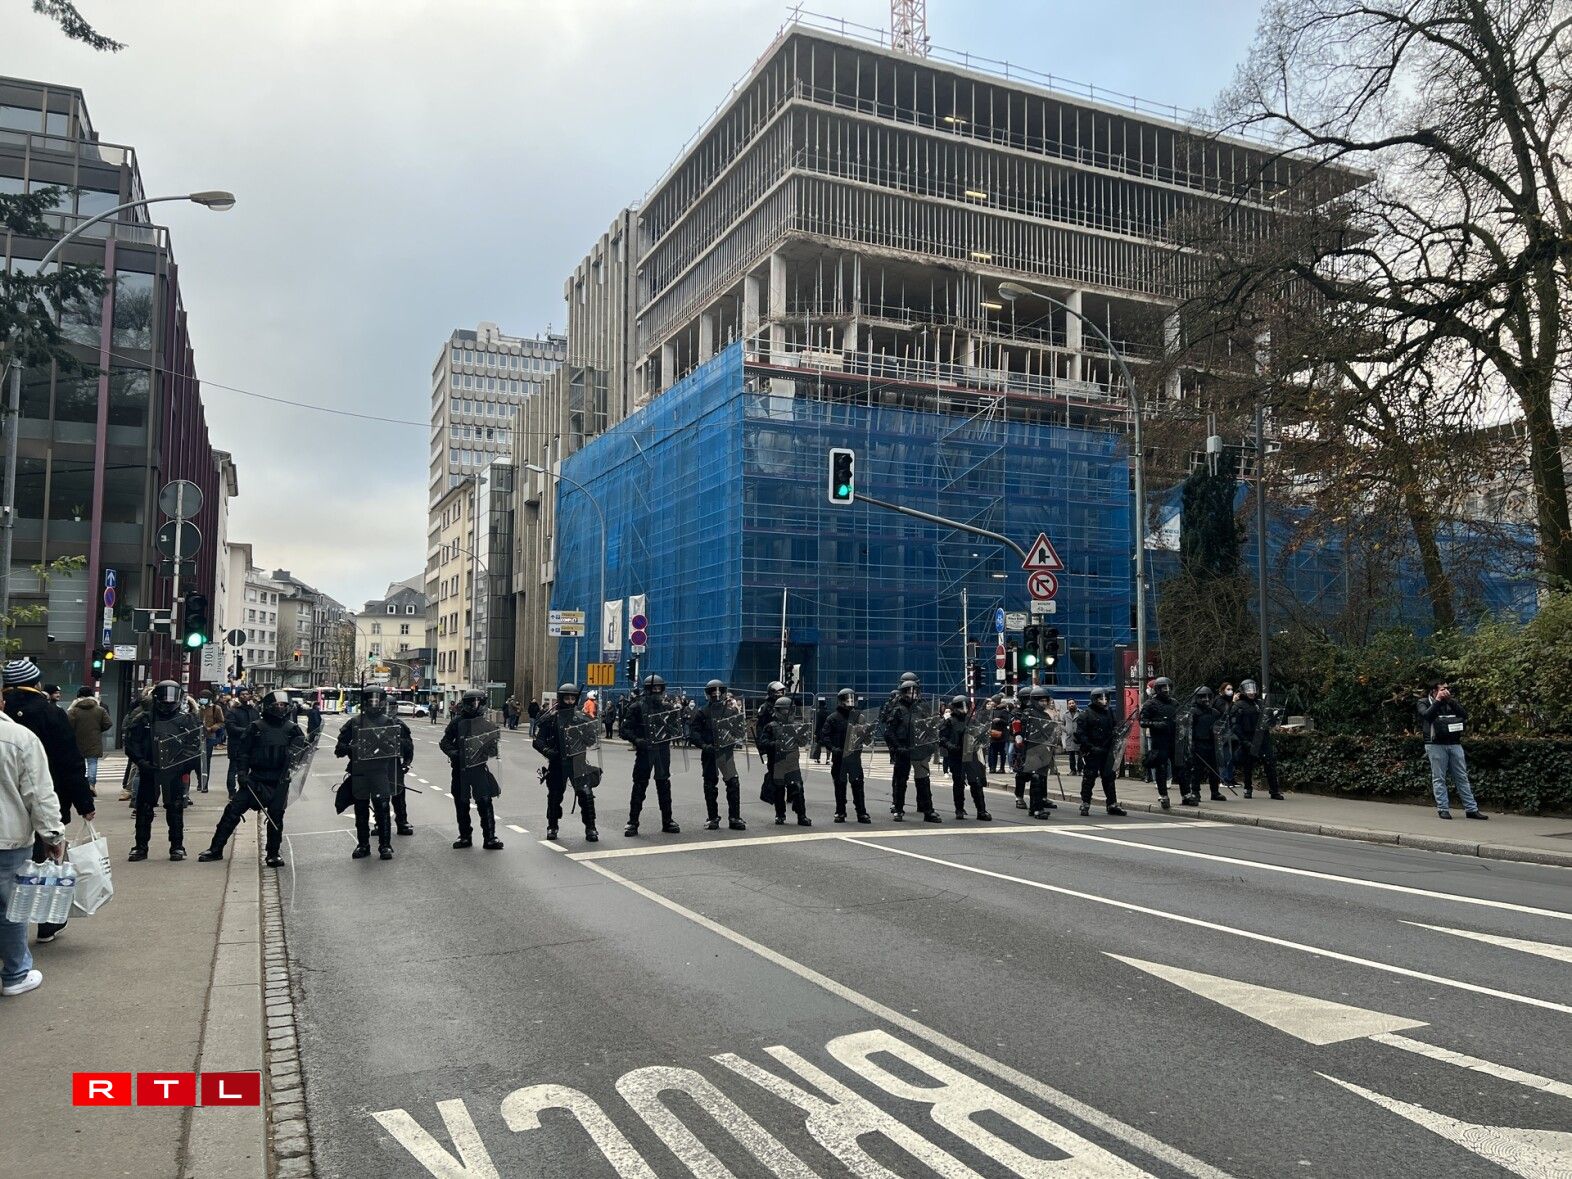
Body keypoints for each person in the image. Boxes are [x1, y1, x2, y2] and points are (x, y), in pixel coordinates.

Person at [4, 659, 94, 941]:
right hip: (48, 799)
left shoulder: (5, 714)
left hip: (7, 807)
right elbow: (70, 762)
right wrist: (84, 802)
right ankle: (47, 922)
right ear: (37, 683)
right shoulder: (51, 714)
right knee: (46, 865)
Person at [198, 689, 303, 868]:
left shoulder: (292, 729)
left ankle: (273, 854)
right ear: (268, 706)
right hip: (256, 779)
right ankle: (216, 849)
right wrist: (242, 774)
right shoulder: (256, 727)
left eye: (283, 705)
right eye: (277, 704)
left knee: (276, 817)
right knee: (232, 811)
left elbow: (300, 755)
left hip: (279, 781)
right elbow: (244, 753)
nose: (280, 707)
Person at [0, 708, 64, 997]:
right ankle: (15, 974)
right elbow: (38, 794)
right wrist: (52, 834)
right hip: (7, 838)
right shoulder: (19, 738)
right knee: (9, 909)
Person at [123, 679, 200, 862]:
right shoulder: (144, 719)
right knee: (144, 808)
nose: (168, 701)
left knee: (175, 808)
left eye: (172, 696)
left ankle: (177, 846)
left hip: (174, 771)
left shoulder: (186, 720)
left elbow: (195, 746)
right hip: (149, 769)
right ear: (157, 697)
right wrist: (142, 762)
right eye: (164, 696)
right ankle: (140, 846)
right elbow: (132, 743)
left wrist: (182, 766)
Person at [334, 685, 412, 860]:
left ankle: (385, 845)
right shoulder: (354, 722)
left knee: (383, 808)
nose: (374, 704)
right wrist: (353, 748)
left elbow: (398, 745)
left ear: (382, 702)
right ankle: (363, 845)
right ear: (365, 702)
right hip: (360, 772)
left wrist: (385, 746)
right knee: (361, 809)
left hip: (380, 771)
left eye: (377, 701)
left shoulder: (389, 722)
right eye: (370, 701)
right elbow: (339, 748)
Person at [532, 682, 600, 842]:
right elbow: (538, 741)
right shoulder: (551, 719)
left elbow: (592, 740)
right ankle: (552, 826)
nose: (569, 701)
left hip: (578, 763)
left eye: (572, 698)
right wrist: (548, 751)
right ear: (561, 698)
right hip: (557, 763)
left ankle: (591, 828)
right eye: (567, 698)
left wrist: (586, 733)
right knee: (554, 796)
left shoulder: (582, 719)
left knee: (586, 794)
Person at [439, 689, 504, 850]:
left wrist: (491, 748)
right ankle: (465, 836)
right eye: (472, 702)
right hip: (460, 770)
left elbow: (493, 749)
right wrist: (455, 754)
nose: (476, 705)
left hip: (479, 769)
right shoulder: (457, 722)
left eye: (479, 702)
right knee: (462, 803)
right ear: (466, 704)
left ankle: (490, 837)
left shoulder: (486, 724)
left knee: (485, 801)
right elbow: (445, 742)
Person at [622, 674, 680, 836]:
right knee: (639, 785)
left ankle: (667, 820)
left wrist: (671, 730)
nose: (656, 691)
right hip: (645, 752)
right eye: (653, 688)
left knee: (664, 785)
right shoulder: (636, 707)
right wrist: (637, 740)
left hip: (662, 751)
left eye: (659, 688)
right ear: (647, 689)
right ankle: (633, 822)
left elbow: (675, 728)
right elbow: (625, 729)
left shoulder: (668, 707)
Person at [1418, 681, 1485, 820]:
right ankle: (1443, 809)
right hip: (1435, 744)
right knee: (1439, 778)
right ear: (1434, 691)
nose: (1446, 691)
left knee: (1462, 777)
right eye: (1443, 689)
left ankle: (1471, 809)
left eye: (1448, 688)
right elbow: (1427, 716)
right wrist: (1437, 701)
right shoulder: (1424, 702)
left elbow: (1464, 714)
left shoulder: (1450, 702)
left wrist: (1450, 701)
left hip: (1454, 743)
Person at [690, 680, 746, 831]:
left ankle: (734, 817)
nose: (716, 694)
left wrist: (733, 739)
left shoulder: (730, 712)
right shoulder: (702, 712)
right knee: (710, 785)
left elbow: (738, 730)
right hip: (710, 752)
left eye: (719, 691)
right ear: (708, 694)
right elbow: (694, 733)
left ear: (723, 692)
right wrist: (704, 745)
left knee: (733, 783)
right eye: (713, 692)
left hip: (725, 753)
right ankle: (712, 817)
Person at [888, 676, 941, 823]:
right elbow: (890, 732)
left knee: (923, 781)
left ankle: (928, 811)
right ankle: (898, 809)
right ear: (903, 692)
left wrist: (930, 744)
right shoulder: (897, 710)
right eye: (909, 691)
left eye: (915, 691)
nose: (913, 694)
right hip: (903, 750)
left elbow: (929, 727)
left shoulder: (921, 708)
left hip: (919, 750)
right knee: (900, 782)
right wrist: (898, 747)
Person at [819, 688, 871, 824]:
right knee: (840, 785)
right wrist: (833, 749)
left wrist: (866, 732)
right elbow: (825, 736)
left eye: (852, 698)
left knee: (858, 785)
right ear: (841, 701)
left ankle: (862, 812)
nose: (850, 702)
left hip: (854, 757)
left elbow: (866, 736)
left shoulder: (859, 717)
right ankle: (840, 812)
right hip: (840, 757)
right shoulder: (833, 718)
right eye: (847, 699)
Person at [758, 696, 811, 826]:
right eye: (785, 710)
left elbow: (803, 742)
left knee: (798, 787)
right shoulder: (771, 726)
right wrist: (775, 744)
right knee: (779, 790)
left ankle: (802, 816)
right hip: (777, 762)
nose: (788, 713)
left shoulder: (796, 726)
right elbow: (763, 743)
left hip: (792, 762)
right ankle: (780, 815)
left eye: (790, 710)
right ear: (778, 711)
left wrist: (802, 736)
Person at [1075, 688, 1126, 817]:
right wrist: (1091, 747)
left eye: (1106, 698)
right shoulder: (1085, 714)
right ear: (1094, 699)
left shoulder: (1109, 712)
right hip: (1092, 752)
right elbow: (1080, 735)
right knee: (1089, 778)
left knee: (1109, 778)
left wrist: (1118, 732)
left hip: (1107, 751)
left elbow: (1115, 727)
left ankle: (1112, 804)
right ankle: (1085, 803)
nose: (1104, 701)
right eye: (1100, 699)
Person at [940, 696, 993, 822]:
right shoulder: (949, 721)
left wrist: (982, 737)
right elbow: (942, 738)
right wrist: (951, 746)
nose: (963, 709)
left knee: (976, 782)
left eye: (965, 706)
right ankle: (959, 809)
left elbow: (979, 735)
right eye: (961, 707)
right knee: (958, 783)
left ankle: (981, 811)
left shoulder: (972, 721)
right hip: (956, 755)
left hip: (971, 754)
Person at [1231, 680, 1284, 800]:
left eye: (1253, 689)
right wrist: (1244, 741)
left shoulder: (1260, 703)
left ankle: (1274, 790)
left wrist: (1275, 716)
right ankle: (1248, 789)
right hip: (1249, 737)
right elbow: (1235, 726)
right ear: (1243, 691)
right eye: (1248, 690)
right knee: (1248, 765)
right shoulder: (1238, 705)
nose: (1251, 692)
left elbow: (1268, 720)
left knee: (1270, 763)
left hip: (1263, 737)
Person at [1177, 686, 1226, 805]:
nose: (1206, 699)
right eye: (1203, 697)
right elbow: (1188, 730)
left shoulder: (1214, 712)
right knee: (1196, 770)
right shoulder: (1193, 713)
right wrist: (1190, 745)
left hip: (1212, 743)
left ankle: (1215, 791)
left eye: (1208, 697)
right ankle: (1195, 792)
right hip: (1198, 743)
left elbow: (1220, 728)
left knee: (1214, 768)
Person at [1139, 677, 1179, 810]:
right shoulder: (1150, 704)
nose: (1166, 690)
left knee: (1180, 767)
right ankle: (1163, 795)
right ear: (1157, 689)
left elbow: (1181, 718)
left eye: (1168, 687)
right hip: (1159, 741)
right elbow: (1143, 721)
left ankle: (1186, 795)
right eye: (1163, 688)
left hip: (1173, 740)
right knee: (1161, 768)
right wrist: (1156, 724)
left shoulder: (1174, 703)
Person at [67, 686, 112, 797]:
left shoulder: (74, 710)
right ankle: (91, 785)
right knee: (92, 763)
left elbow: (68, 725)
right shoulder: (99, 709)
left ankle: (80, 785)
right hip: (94, 740)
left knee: (79, 764)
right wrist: (98, 729)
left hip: (77, 741)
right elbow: (108, 723)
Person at [223, 688, 259, 798]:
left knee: (248, 770)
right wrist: (247, 730)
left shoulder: (254, 711)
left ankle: (246, 790)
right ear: (238, 697)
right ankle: (232, 792)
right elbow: (231, 727)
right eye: (242, 694)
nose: (245, 696)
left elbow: (259, 725)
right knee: (233, 769)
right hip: (236, 745)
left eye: (247, 694)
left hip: (251, 745)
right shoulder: (232, 711)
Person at [198, 692, 227, 793]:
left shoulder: (216, 708)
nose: (203, 699)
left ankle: (205, 784)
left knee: (206, 761)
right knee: (197, 761)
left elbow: (221, 722)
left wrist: (212, 728)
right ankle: (200, 781)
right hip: (196, 737)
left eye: (205, 697)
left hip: (209, 737)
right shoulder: (197, 708)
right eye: (201, 697)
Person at [1215, 683, 1237, 789]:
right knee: (1224, 756)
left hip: (1229, 731)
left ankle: (1230, 778)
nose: (1231, 691)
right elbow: (1226, 713)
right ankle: (1224, 779)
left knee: (1230, 756)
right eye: (1228, 689)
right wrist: (1233, 702)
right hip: (1221, 732)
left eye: (1231, 689)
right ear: (1222, 690)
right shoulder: (1219, 701)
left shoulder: (1227, 700)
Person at [986, 695, 1010, 774]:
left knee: (1002, 752)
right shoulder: (993, 710)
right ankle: (993, 768)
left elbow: (1007, 722)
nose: (991, 703)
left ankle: (1002, 768)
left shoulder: (1003, 711)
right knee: (993, 752)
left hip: (1001, 734)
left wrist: (999, 720)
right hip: (993, 734)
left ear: (996, 702)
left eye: (992, 701)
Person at [1061, 698, 1082, 774]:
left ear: (1076, 704)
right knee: (1071, 755)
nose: (1071, 705)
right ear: (1067, 705)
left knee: (1080, 755)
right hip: (1069, 737)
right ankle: (1073, 770)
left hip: (1079, 737)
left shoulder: (1081, 713)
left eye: (1073, 703)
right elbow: (1062, 724)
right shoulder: (1065, 714)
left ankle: (1080, 770)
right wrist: (1066, 730)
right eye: (1069, 703)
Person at [811, 696, 829, 763]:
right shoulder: (828, 712)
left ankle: (817, 758)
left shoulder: (819, 713)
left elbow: (818, 724)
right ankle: (828, 759)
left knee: (818, 745)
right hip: (827, 731)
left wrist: (815, 733)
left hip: (820, 731)